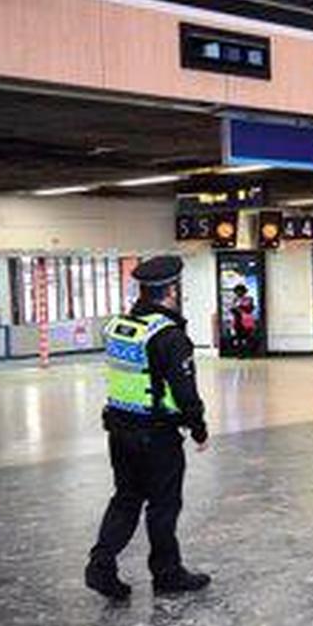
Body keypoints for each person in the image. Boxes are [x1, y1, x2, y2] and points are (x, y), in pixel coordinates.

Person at [86, 255, 212, 601]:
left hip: (120, 429)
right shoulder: (169, 336)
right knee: (163, 505)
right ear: (171, 290)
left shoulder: (120, 327)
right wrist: (198, 428)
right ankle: (167, 573)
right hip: (157, 436)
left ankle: (101, 564)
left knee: (125, 500)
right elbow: (184, 390)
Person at [229, 283, 257, 357]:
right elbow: (232, 309)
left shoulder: (249, 299)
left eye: (240, 291)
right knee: (238, 338)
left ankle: (249, 352)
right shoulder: (235, 300)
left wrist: (240, 308)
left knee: (248, 337)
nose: (239, 293)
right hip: (237, 321)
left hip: (246, 321)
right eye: (237, 291)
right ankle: (240, 353)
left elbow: (250, 309)